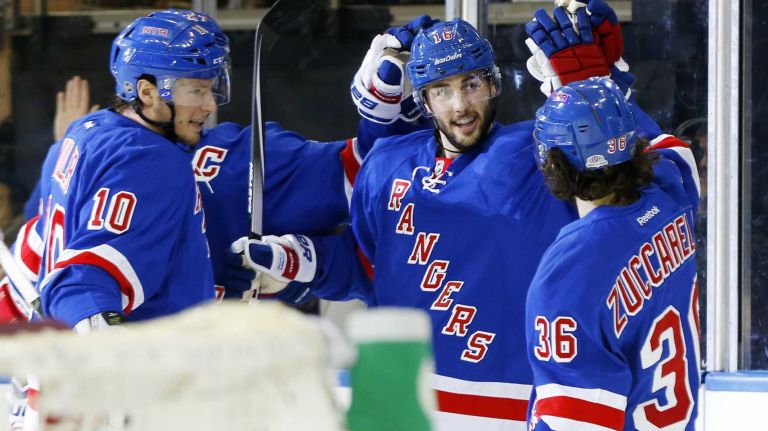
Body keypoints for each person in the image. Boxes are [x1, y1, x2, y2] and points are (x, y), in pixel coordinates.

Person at [28, 9, 230, 331]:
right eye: (196, 91)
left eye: (210, 89)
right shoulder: (152, 160)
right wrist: (109, 353)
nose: (210, 106)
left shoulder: (80, 133)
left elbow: (39, 248)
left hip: (54, 368)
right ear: (147, 92)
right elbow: (84, 280)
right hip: (134, 375)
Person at [525, 77, 700, 430]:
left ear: (553, 164)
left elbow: (573, 422)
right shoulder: (671, 196)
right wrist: (600, 87)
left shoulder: (570, 268)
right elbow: (669, 150)